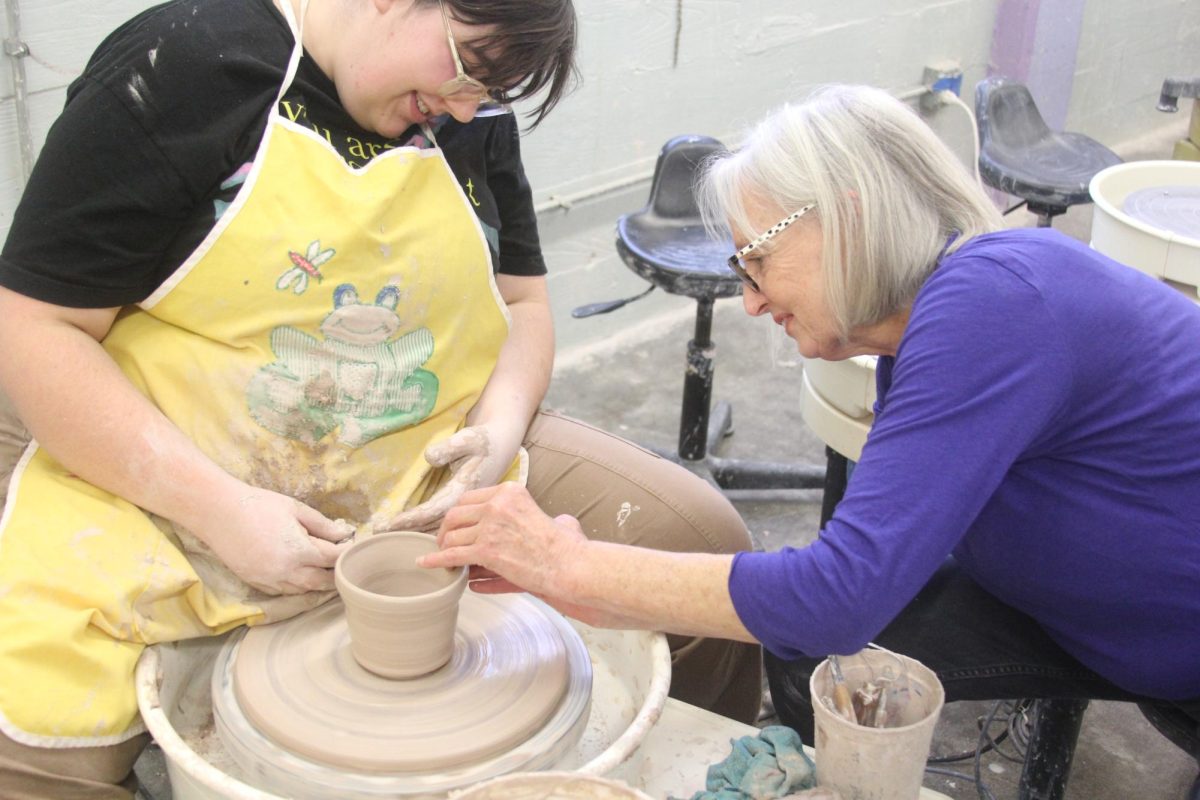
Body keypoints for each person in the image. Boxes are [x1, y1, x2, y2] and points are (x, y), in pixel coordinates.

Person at [0, 1, 763, 796]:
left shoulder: (470, 107)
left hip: (419, 463)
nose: (470, 107)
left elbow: (526, 308)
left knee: (699, 548)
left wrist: (495, 437)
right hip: (169, 468)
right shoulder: (187, 65)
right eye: (468, 65)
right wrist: (220, 509)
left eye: (492, 92)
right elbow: (32, 329)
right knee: (34, 757)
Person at [422, 84, 1200, 759]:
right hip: (1072, 611)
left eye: (756, 261)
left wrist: (568, 567)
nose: (751, 302)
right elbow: (841, 596)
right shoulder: (931, 322)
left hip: (1173, 638)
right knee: (807, 666)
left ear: (847, 217)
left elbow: (837, 595)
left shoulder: (996, 304)